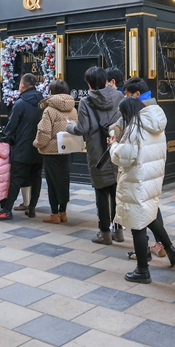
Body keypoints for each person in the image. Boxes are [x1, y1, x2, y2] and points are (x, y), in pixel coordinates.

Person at [110, 96, 175, 283]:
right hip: (152, 179)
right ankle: (171, 251)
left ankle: (143, 270)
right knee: (150, 214)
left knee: (137, 225)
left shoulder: (135, 129)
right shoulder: (156, 125)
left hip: (137, 180)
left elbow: (122, 157)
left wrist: (113, 145)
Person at [67, 67, 123, 244]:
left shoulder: (85, 101)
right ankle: (118, 231)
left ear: (89, 82)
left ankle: (104, 233)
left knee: (101, 192)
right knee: (116, 191)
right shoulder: (119, 97)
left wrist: (68, 125)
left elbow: (81, 129)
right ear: (106, 80)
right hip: (115, 148)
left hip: (97, 151)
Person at [0, 74, 43, 220]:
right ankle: (32, 208)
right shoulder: (42, 101)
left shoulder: (20, 103)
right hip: (39, 147)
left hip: (22, 147)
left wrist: (3, 140)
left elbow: (11, 126)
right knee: (36, 178)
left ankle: (6, 210)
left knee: (16, 178)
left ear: (22, 85)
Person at [35, 79, 77, 223]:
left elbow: (44, 132)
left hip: (50, 151)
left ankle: (54, 214)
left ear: (52, 91)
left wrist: (37, 144)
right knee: (64, 180)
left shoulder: (49, 110)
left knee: (52, 182)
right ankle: (63, 212)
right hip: (66, 149)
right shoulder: (73, 109)